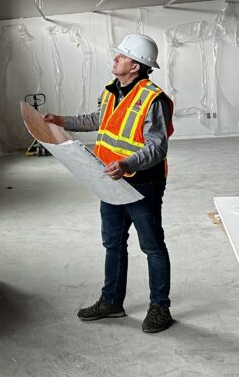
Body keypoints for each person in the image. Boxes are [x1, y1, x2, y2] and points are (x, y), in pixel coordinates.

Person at [44, 33, 175, 333]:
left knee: (152, 246)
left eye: (123, 56)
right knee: (113, 244)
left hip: (142, 184)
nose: (116, 59)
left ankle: (160, 307)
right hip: (109, 181)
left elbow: (157, 148)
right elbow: (97, 120)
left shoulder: (152, 99)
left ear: (137, 66)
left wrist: (127, 164)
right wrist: (61, 120)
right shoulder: (111, 91)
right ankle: (112, 301)